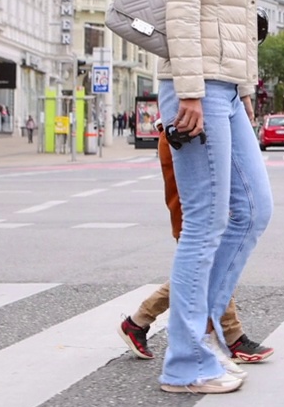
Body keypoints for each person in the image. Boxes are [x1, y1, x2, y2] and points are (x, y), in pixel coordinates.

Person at [150, 0, 274, 395]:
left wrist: (242, 89)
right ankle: (184, 362)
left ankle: (204, 338)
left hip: (225, 91)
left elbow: (227, 20)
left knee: (253, 211)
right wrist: (192, 92)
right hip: (198, 91)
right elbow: (181, 8)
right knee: (204, 224)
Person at [118, 121, 275, 372]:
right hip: (191, 191)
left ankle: (138, 322)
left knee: (211, 266)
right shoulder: (179, 128)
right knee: (208, 264)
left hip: (199, 166)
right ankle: (228, 340)